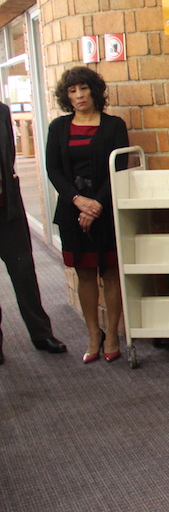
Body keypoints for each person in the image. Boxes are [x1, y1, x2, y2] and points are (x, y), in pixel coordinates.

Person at [45, 67, 128, 364]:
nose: (79, 95)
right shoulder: (58, 128)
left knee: (110, 273)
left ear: (94, 90)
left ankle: (114, 334)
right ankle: (94, 333)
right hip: (72, 211)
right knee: (85, 274)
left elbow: (118, 167)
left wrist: (96, 206)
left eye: (83, 88)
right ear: (66, 97)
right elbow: (53, 169)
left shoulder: (114, 125)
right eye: (72, 91)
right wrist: (79, 201)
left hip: (105, 212)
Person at [1, 102, 67, 365]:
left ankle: (42, 334)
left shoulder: (3, 111)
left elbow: (8, 159)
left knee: (24, 273)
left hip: (8, 211)